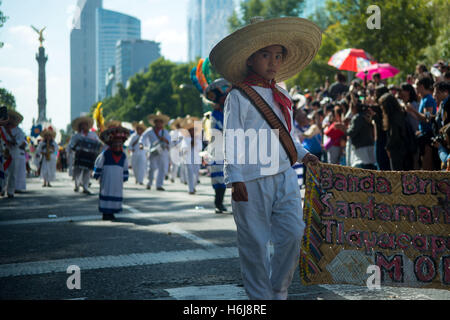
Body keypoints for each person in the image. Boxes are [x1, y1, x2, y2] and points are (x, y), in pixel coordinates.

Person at [210, 16, 321, 300]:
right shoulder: (239, 95)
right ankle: (260, 298)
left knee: (294, 233)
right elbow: (232, 136)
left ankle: (278, 290)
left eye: (278, 55)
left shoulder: (281, 94)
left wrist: (304, 154)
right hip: (250, 178)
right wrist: (234, 178)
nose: (273, 61)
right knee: (254, 243)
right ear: (250, 59)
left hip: (284, 173)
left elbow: (286, 134)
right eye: (265, 55)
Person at [93, 121, 130, 221]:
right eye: (115, 143)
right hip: (107, 178)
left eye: (119, 143)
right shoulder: (106, 154)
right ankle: (105, 213)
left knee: (116, 192)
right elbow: (99, 163)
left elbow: (125, 167)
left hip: (117, 180)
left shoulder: (123, 156)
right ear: (111, 143)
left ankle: (113, 211)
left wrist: (125, 176)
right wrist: (97, 173)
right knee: (106, 191)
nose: (117, 145)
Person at [205, 79, 232, 213]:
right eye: (222, 98)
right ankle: (218, 203)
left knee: (230, 177)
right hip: (217, 148)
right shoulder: (215, 114)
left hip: (227, 148)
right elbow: (219, 130)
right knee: (219, 179)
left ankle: (222, 204)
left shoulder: (229, 112)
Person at [69, 115, 101, 194]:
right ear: (80, 126)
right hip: (79, 156)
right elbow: (71, 145)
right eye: (82, 125)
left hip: (89, 156)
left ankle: (85, 187)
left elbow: (98, 143)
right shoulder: (77, 136)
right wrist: (76, 147)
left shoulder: (93, 134)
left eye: (85, 125)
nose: (84, 126)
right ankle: (77, 185)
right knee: (78, 171)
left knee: (87, 172)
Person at [379, 93, 410, 171]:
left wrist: (388, 147)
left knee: (396, 174)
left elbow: (394, 135)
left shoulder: (393, 117)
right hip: (402, 148)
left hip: (397, 150)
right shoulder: (399, 114)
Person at [141, 111, 171, 191]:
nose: (159, 123)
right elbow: (143, 137)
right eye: (157, 121)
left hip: (162, 151)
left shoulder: (165, 132)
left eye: (160, 122)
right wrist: (141, 144)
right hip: (153, 151)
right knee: (152, 168)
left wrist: (164, 139)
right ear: (154, 122)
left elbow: (170, 141)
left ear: (162, 123)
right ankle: (150, 183)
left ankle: (159, 185)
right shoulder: (149, 130)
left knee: (162, 168)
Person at [0, 109, 25, 198]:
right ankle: (2, 189)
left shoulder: (19, 131)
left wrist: (10, 136)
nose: (9, 120)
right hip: (3, 152)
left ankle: (10, 191)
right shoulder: (2, 128)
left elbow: (19, 141)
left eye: (12, 119)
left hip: (14, 152)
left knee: (13, 173)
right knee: (4, 172)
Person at [180, 118, 202, 195]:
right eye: (191, 130)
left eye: (194, 130)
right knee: (189, 173)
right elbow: (183, 148)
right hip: (188, 158)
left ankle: (193, 186)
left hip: (196, 158)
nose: (192, 131)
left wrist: (195, 142)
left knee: (196, 174)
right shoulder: (185, 138)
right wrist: (190, 143)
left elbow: (200, 148)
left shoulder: (198, 138)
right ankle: (190, 189)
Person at [129, 121, 147, 185]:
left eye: (141, 129)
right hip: (134, 154)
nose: (140, 130)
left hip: (142, 154)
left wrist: (145, 150)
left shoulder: (145, 137)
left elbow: (147, 145)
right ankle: (137, 178)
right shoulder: (133, 136)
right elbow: (130, 145)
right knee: (135, 167)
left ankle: (140, 180)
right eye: (138, 128)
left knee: (141, 167)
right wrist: (131, 149)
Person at [168, 117, 184, 183]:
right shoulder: (172, 132)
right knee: (175, 164)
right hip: (174, 150)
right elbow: (171, 142)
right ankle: (172, 177)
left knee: (183, 164)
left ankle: (183, 179)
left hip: (182, 149)